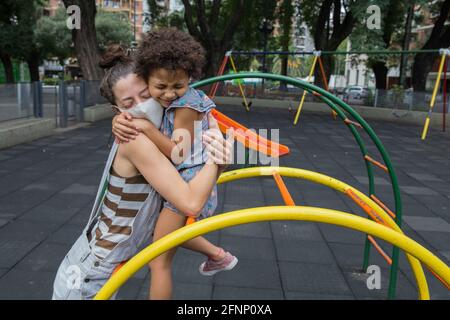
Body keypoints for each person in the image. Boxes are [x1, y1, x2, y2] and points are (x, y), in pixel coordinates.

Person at [52, 45, 232, 300]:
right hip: (89, 273)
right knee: (160, 263)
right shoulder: (135, 138)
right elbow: (190, 202)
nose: (142, 106)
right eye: (129, 104)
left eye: (146, 95)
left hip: (100, 264)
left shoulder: (165, 129)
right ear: (119, 112)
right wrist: (216, 160)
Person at [112, 28, 238, 299]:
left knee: (158, 261)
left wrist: (146, 129)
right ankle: (218, 256)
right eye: (160, 87)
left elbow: (176, 153)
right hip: (186, 181)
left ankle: (219, 256)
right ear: (147, 81)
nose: (169, 94)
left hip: (189, 187)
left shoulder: (186, 107)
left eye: (177, 86)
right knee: (167, 237)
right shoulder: (178, 99)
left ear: (189, 78)